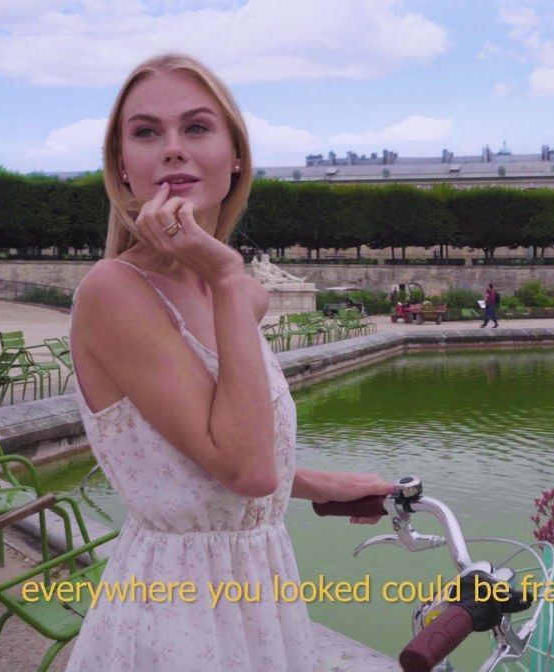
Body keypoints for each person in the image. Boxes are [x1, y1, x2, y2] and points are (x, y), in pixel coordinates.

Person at [65, 53, 394, 672]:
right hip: (179, 611)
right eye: (146, 132)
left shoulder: (244, 297)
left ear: (235, 154)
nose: (172, 148)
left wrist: (321, 485)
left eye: (196, 127)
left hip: (259, 591)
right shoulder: (116, 291)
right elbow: (245, 468)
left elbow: (201, 457)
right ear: (122, 167)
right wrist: (222, 272)